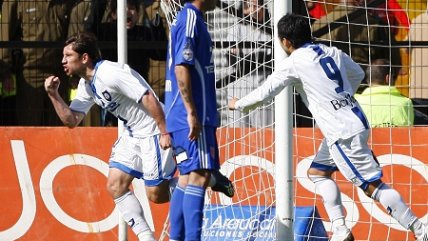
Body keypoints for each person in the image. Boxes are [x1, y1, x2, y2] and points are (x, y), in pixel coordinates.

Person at [228, 14, 427, 241]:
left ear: (285, 42)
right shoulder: (331, 51)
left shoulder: (293, 62)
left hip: (341, 132)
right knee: (318, 172)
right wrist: (341, 98)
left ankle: (421, 230)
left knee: (373, 187)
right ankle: (340, 230)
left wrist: (238, 104)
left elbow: (265, 93)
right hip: (354, 120)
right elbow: (359, 74)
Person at [45, 31, 233, 241]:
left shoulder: (110, 73)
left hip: (152, 129)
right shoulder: (86, 85)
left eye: (68, 56)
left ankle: (209, 179)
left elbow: (148, 97)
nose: (63, 61)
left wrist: (164, 131)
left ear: (85, 58)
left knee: (156, 195)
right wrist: (54, 95)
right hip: (132, 133)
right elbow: (72, 120)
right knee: (115, 185)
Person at [164, 0, 235, 240]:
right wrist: (191, 111)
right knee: (200, 175)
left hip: (181, 116)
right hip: (192, 116)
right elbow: (181, 67)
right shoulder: (191, 18)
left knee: (186, 178)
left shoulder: (188, 18)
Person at [0, 0, 84, 126]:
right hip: (30, 73)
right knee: (29, 124)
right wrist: (5, 73)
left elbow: (73, 37)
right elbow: (4, 37)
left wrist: (75, 72)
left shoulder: (67, 3)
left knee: (59, 125)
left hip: (59, 72)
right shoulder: (17, 2)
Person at [355, 59, 414, 127]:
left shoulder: (355, 102)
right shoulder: (405, 103)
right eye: (394, 77)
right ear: (388, 78)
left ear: (368, 79)